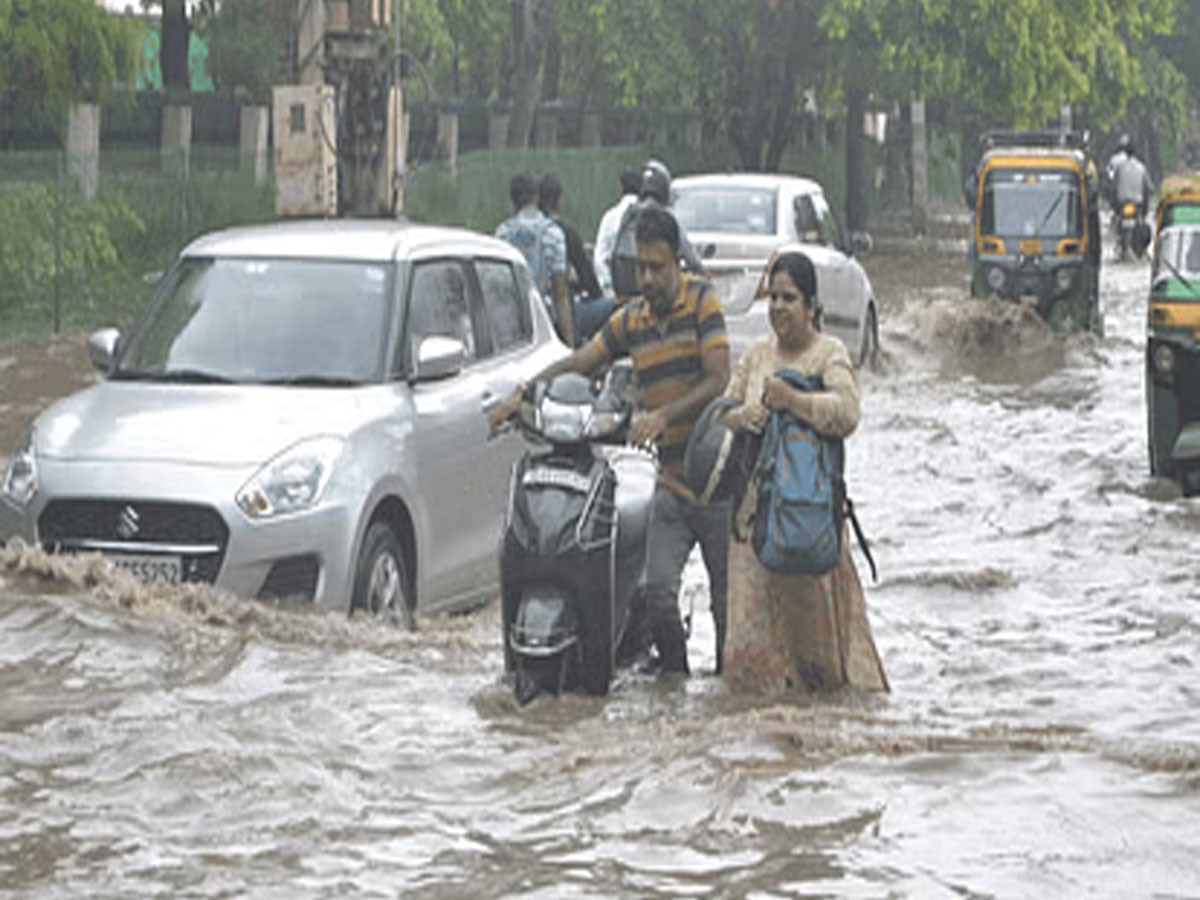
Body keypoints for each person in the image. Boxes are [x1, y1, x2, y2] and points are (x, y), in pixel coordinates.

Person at [488, 205, 731, 676]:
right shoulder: (632, 320)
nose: (647, 277)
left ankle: (722, 694)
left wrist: (663, 415)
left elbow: (718, 378)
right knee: (660, 597)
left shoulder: (703, 302)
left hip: (715, 484)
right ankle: (677, 687)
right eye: (640, 266)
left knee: (727, 606)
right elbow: (582, 361)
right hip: (671, 487)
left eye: (656, 267)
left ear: (677, 263)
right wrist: (520, 395)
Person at [720, 250, 888, 695]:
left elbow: (848, 414)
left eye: (788, 298)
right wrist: (744, 418)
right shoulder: (757, 355)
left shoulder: (828, 354)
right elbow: (726, 407)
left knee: (819, 660)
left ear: (812, 307)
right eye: (773, 297)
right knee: (755, 661)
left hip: (810, 518)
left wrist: (793, 401)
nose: (778, 307)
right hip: (755, 521)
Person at [608, 159, 706, 302]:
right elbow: (688, 254)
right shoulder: (664, 217)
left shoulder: (630, 212)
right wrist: (702, 274)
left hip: (620, 279)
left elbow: (615, 248)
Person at [495, 173, 572, 344]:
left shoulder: (502, 234)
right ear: (536, 197)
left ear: (512, 201)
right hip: (543, 325)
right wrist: (569, 343)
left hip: (510, 327)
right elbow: (561, 295)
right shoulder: (553, 234)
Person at [537, 173, 606, 347]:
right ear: (559, 201)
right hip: (564, 313)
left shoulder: (512, 232)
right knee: (610, 307)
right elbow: (588, 279)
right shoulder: (565, 232)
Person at [593, 168, 642, 297]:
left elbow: (599, 257)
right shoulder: (650, 214)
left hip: (617, 291)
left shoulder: (609, 217)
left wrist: (607, 285)